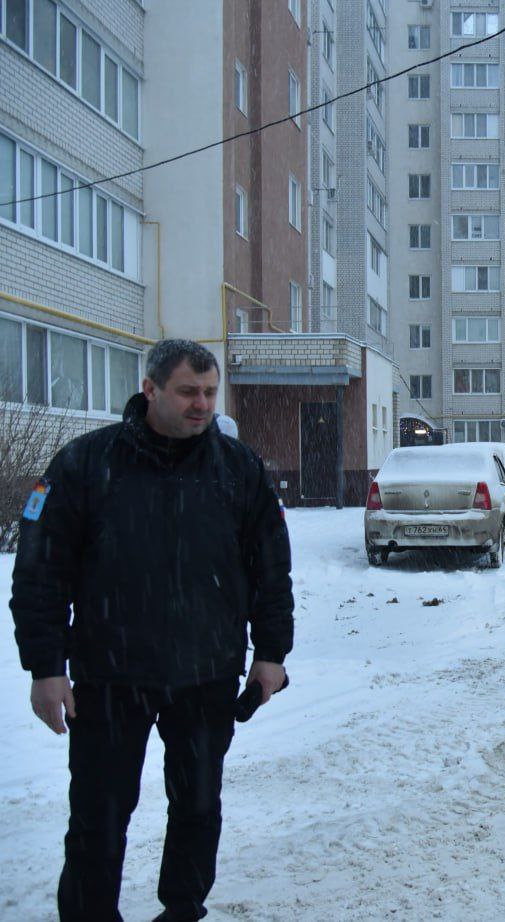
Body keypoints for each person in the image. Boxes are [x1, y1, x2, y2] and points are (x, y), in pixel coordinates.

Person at [10, 339, 294, 922]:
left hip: (206, 674)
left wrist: (271, 653)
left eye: (210, 393)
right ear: (151, 390)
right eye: (188, 392)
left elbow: (271, 567)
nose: (201, 405)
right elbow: (40, 571)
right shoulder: (85, 465)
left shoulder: (238, 470)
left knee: (197, 807)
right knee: (99, 813)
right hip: (111, 675)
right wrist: (45, 667)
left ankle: (183, 908)